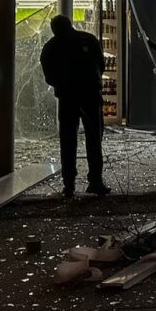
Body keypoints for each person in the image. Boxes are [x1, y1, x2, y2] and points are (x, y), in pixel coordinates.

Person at [40, 14, 111, 197]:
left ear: (54, 29)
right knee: (94, 138)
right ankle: (95, 181)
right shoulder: (88, 39)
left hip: (67, 96)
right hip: (90, 94)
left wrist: (61, 84)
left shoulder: (52, 47)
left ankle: (69, 184)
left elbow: (48, 75)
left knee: (68, 141)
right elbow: (100, 64)